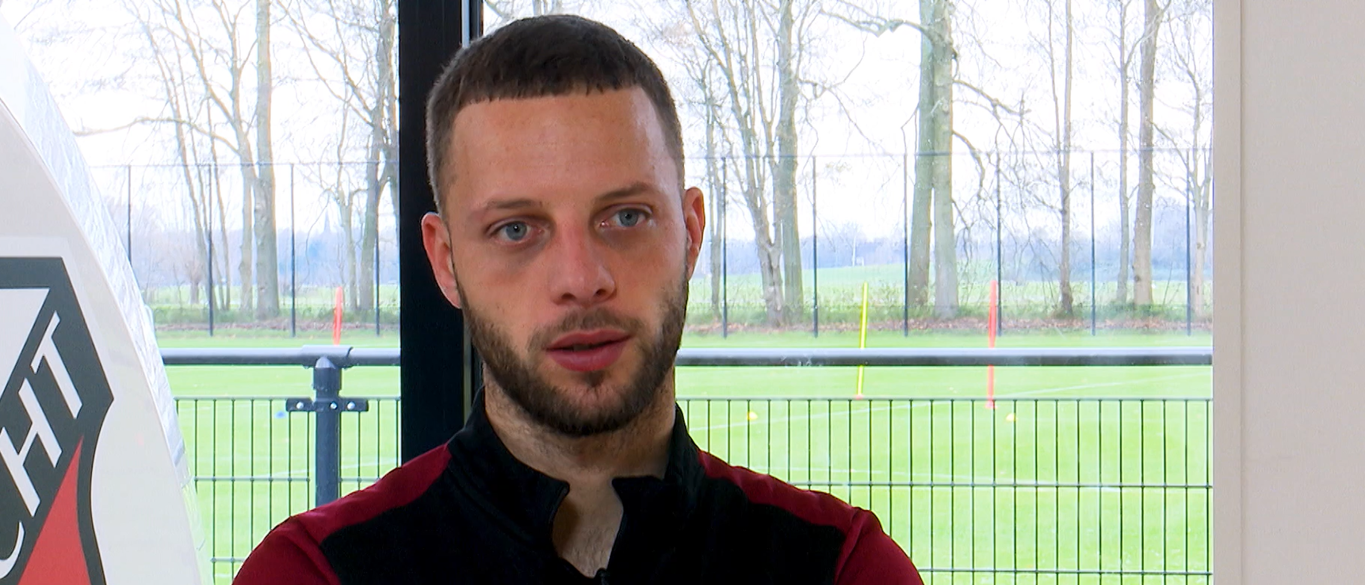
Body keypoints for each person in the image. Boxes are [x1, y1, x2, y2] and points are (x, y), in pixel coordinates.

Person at [234, 14, 923, 585]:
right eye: (516, 229)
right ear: (446, 262)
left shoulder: (841, 567)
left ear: (689, 233)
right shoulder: (315, 571)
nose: (581, 277)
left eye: (624, 216)